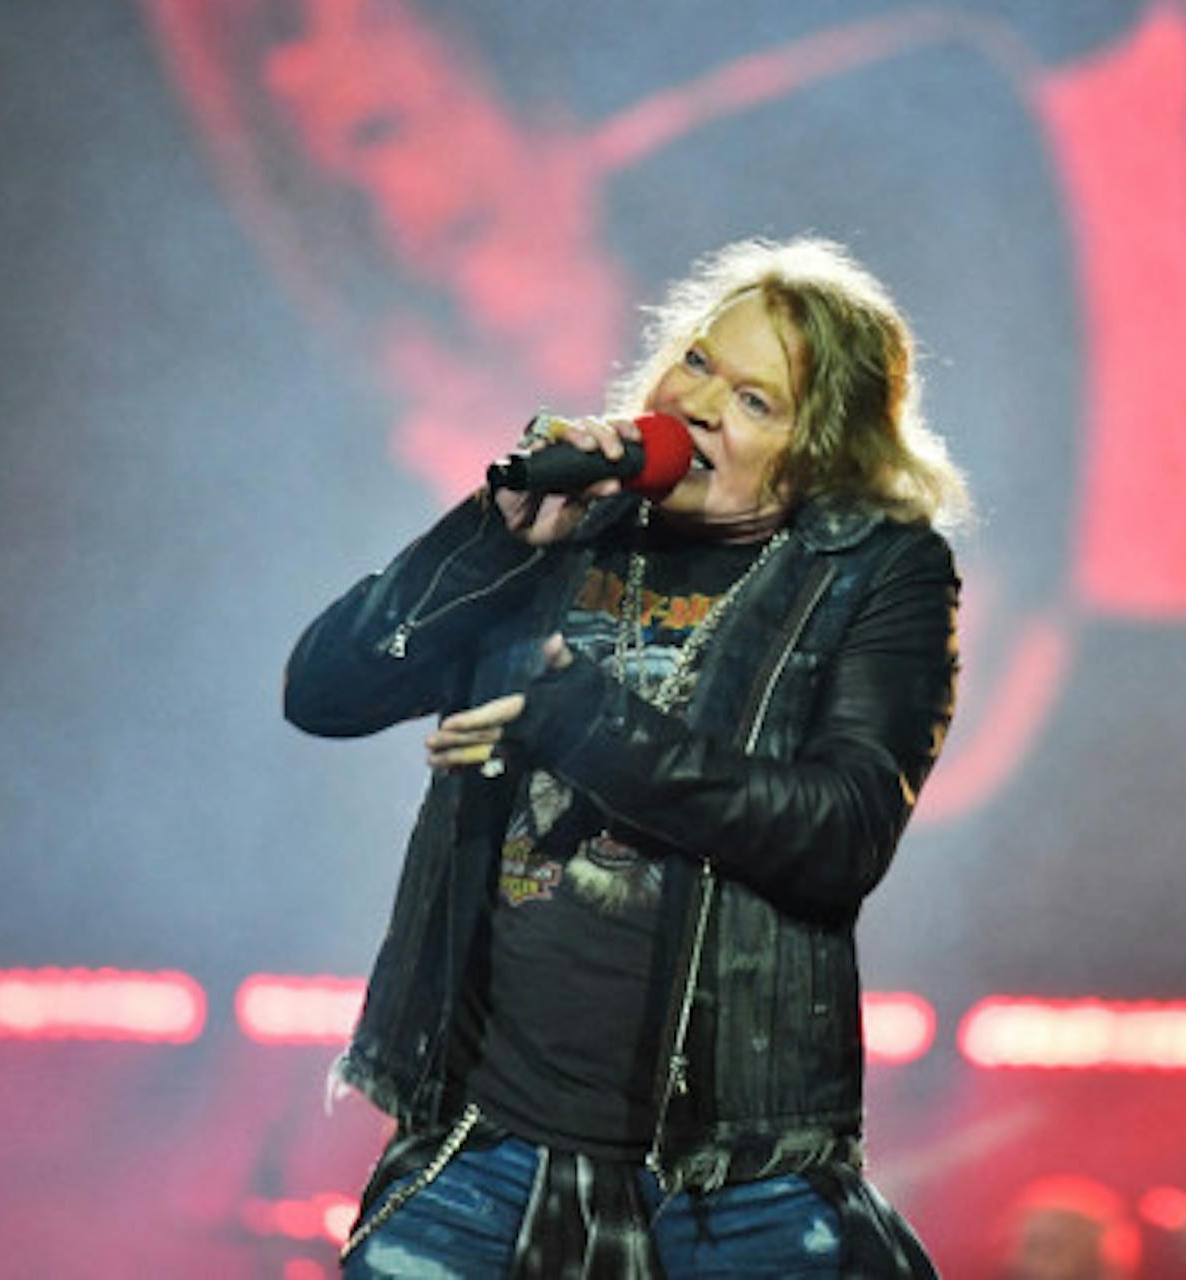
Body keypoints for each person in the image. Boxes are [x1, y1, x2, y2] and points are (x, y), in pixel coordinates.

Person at [284, 236, 968, 1277]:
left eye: (755, 402)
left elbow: (842, 833)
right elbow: (327, 693)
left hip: (736, 1180)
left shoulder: (873, 575)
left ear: (823, 456)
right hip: (483, 1148)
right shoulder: (570, 530)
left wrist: (580, 720)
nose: (700, 405)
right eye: (696, 362)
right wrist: (487, 538)